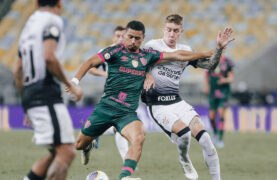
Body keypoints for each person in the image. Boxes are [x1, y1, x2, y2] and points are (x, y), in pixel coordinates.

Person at [67, 20, 214, 180]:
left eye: (137, 38)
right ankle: (88, 146)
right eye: (130, 37)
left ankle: (125, 177)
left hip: (127, 113)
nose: (133, 41)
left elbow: (177, 55)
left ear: (143, 38)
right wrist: (74, 81)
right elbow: (90, 62)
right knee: (79, 144)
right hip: (106, 108)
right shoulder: (114, 51)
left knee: (139, 136)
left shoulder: (147, 55)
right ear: (124, 36)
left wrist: (204, 54)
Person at [142, 14, 234, 180]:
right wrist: (147, 74)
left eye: (175, 31)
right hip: (157, 105)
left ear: (181, 32)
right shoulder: (152, 46)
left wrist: (219, 48)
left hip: (177, 102)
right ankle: (184, 158)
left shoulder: (187, 50)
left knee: (206, 140)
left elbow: (211, 66)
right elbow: (137, 65)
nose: (171, 34)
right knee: (184, 134)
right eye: (169, 30)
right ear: (164, 29)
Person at [13, 0, 82, 180]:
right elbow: (49, 57)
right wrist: (70, 84)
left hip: (30, 91)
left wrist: (27, 104)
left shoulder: (28, 27)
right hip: (45, 91)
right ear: (59, 4)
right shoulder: (52, 20)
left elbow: (17, 70)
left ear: (36, 3)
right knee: (67, 152)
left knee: (56, 153)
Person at [86, 25, 130, 164]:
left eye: (123, 36)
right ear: (113, 37)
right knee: (120, 127)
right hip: (111, 94)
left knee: (120, 127)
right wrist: (105, 73)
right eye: (117, 35)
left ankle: (94, 133)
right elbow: (91, 68)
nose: (120, 38)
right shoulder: (107, 52)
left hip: (129, 95)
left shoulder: (131, 52)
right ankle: (127, 162)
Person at [204, 55, 234, 148]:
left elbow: (231, 78)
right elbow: (206, 76)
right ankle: (215, 133)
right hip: (213, 93)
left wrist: (224, 80)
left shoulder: (228, 62)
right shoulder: (210, 61)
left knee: (221, 113)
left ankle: (220, 139)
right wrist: (206, 87)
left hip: (224, 93)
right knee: (212, 116)